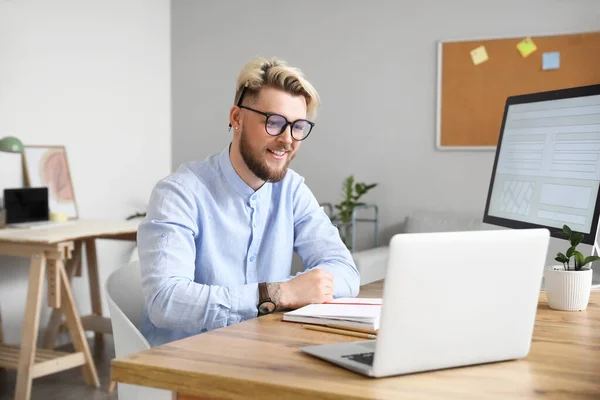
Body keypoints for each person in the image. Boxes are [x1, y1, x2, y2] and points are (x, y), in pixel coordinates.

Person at [137, 57, 360, 347]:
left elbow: (345, 271)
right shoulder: (180, 193)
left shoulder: (291, 190)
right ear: (237, 118)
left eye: (298, 126)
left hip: (265, 353)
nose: (287, 139)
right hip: (190, 367)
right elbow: (164, 301)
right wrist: (277, 294)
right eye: (274, 122)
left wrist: (307, 288)